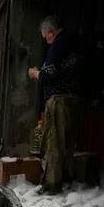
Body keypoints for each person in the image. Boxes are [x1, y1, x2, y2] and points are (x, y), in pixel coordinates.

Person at [28, 16, 82, 193]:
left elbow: (49, 74)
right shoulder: (74, 44)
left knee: (53, 142)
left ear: (51, 32)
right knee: (67, 142)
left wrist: (36, 73)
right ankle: (67, 179)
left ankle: (51, 185)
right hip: (73, 98)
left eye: (46, 37)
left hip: (58, 99)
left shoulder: (58, 45)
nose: (46, 40)